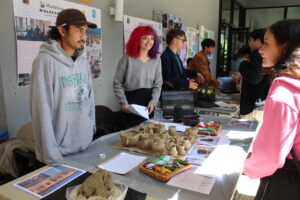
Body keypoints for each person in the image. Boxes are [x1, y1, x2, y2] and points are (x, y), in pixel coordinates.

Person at [30, 9, 97, 166]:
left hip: (85, 145)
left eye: (85, 31)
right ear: (61, 30)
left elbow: (90, 97)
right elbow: (41, 110)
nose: (84, 37)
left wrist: (90, 129)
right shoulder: (45, 62)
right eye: (78, 30)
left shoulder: (83, 61)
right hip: (59, 154)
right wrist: (51, 157)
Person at [244, 19, 300, 199]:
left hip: (287, 180)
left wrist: (248, 167)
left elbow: (271, 157)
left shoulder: (283, 94)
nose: (260, 50)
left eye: (266, 43)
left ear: (285, 47)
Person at [113, 26, 162, 128]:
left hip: (149, 105)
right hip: (131, 104)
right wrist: (124, 103)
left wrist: (153, 102)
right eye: (145, 38)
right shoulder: (127, 58)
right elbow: (117, 83)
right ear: (137, 40)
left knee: (148, 136)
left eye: (152, 38)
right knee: (131, 137)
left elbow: (158, 85)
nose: (149, 41)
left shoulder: (156, 60)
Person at [239, 28, 271, 115]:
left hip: (253, 104)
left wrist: (243, 64)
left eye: (250, 40)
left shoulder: (258, 55)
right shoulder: (265, 56)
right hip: (260, 101)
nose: (249, 44)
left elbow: (255, 78)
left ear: (257, 41)